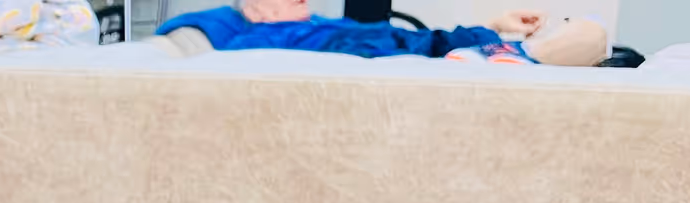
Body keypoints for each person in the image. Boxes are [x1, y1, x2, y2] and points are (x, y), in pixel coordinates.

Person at [160, 2, 609, 65]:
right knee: (590, 38)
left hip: (455, 56)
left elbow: (423, 40)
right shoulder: (254, 41)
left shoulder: (329, 25)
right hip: (432, 74)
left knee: (595, 35)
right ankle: (518, 59)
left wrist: (491, 27)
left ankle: (511, 54)